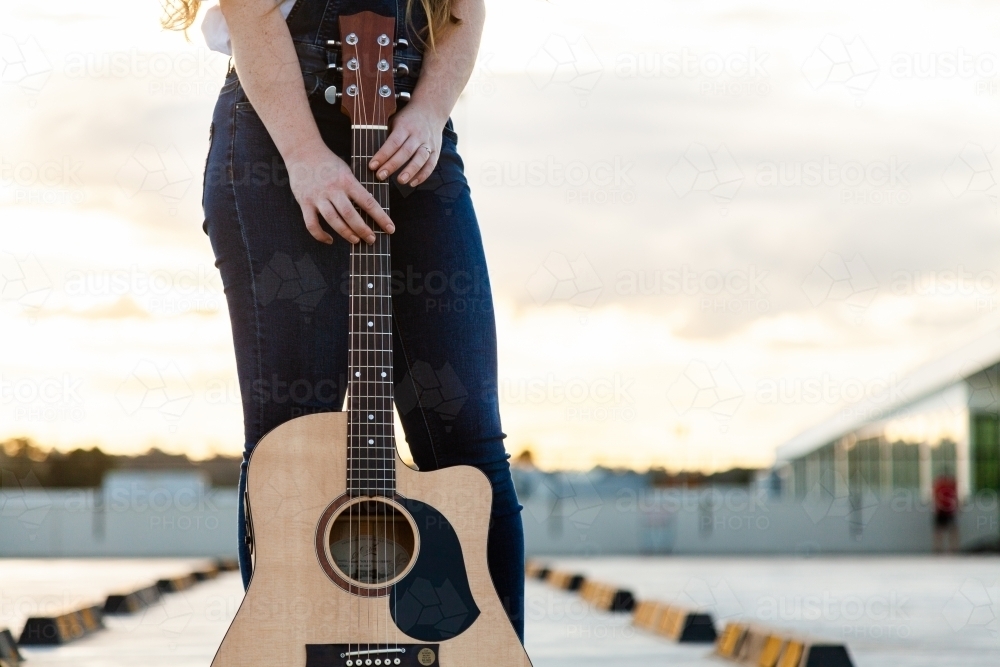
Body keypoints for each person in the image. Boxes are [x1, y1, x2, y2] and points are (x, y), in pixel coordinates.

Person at [163, 0, 524, 640]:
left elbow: (464, 9)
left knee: (467, 443)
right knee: (291, 443)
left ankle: (491, 654)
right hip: (278, 142)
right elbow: (251, 12)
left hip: (412, 132)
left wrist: (433, 111)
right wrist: (305, 155)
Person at [932, 471, 959, 554]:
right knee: (940, 530)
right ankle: (939, 549)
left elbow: (955, 496)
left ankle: (951, 548)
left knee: (950, 530)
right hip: (942, 510)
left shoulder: (949, 485)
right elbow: (935, 497)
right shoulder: (941, 485)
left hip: (948, 510)